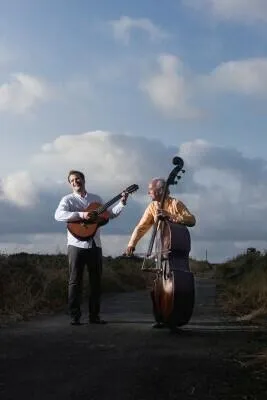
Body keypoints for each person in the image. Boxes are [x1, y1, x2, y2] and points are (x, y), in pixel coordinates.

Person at [55, 170, 128, 326]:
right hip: (76, 245)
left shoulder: (96, 199)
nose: (75, 182)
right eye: (72, 180)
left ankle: (94, 316)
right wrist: (82, 215)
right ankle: (75, 316)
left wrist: (122, 202)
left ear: (84, 180)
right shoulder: (67, 200)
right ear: (70, 183)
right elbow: (59, 215)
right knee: (75, 281)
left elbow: (110, 215)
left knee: (96, 282)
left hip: (95, 244)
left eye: (78, 179)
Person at [124, 177, 196, 328]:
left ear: (160, 191)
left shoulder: (175, 204)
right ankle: (160, 316)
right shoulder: (152, 207)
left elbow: (191, 220)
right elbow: (141, 227)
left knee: (176, 288)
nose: (149, 192)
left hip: (173, 256)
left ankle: (174, 313)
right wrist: (132, 244)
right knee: (157, 286)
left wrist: (171, 216)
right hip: (160, 254)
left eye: (151, 190)